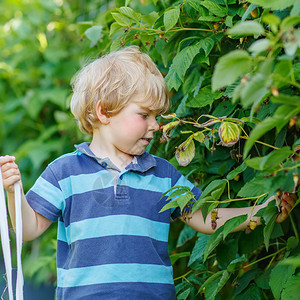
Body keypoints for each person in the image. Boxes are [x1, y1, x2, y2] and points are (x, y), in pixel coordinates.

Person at [0, 46, 296, 300]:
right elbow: (29, 229)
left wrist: (259, 211)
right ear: (104, 112)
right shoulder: (64, 172)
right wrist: (14, 191)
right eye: (144, 115)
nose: (155, 125)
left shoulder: (163, 175)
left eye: (157, 116)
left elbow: (207, 217)